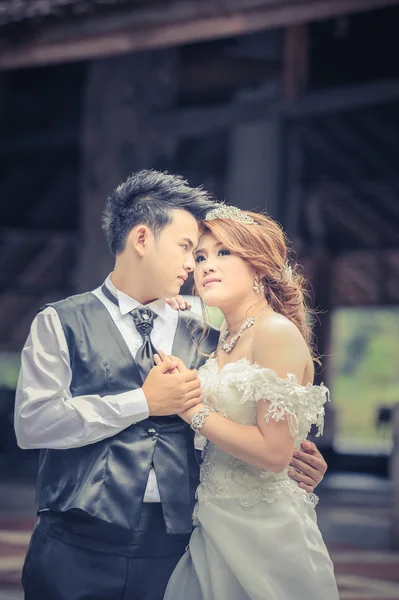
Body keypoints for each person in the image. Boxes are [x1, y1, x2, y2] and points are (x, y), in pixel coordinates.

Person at [15, 171, 327, 600]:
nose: (193, 266)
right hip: (75, 545)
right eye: (190, 251)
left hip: (176, 548)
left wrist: (296, 460)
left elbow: (258, 420)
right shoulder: (60, 322)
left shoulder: (210, 337)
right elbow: (32, 424)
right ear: (142, 239)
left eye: (206, 254)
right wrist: (141, 402)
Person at [163, 205, 339, 600]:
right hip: (214, 520)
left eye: (224, 253)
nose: (207, 265)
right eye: (201, 257)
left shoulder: (274, 332)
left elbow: (276, 453)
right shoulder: (224, 335)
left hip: (265, 530)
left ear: (258, 266)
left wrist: (191, 408)